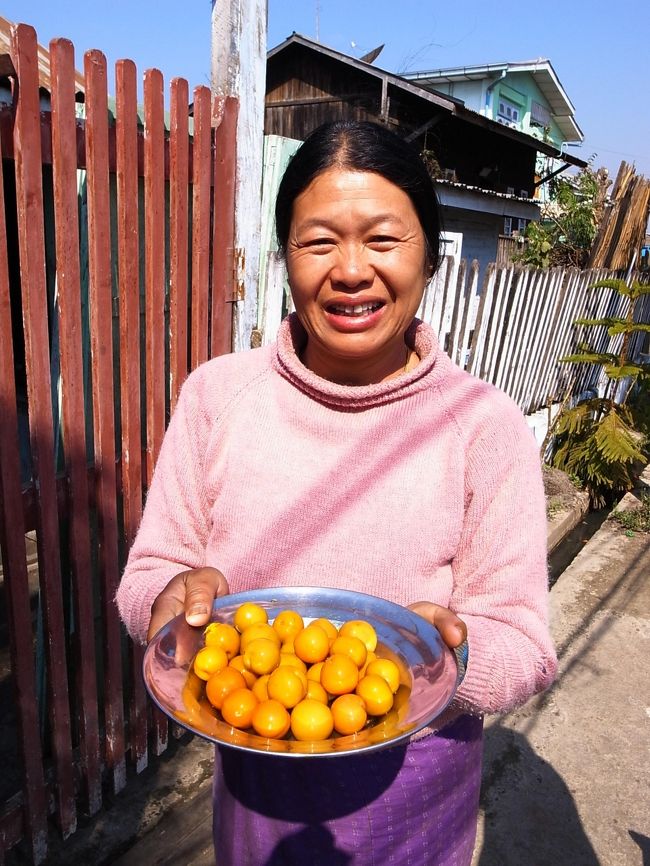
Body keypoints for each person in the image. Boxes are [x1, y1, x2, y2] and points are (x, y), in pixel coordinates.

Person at [117, 120, 557, 865]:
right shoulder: (219, 397)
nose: (351, 271)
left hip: (418, 798)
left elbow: (525, 645)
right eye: (319, 242)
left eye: (383, 240)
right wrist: (170, 603)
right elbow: (149, 576)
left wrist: (447, 657)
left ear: (430, 257)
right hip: (258, 786)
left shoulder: (485, 427)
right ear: (285, 257)